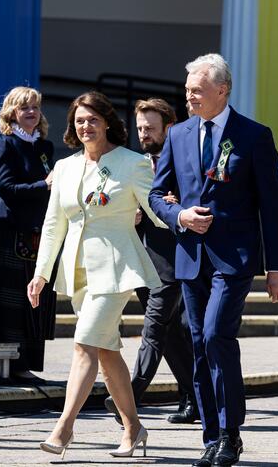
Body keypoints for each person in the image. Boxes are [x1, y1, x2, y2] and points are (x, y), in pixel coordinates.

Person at [149, 53, 278, 467]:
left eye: (196, 90)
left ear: (221, 90)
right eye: (188, 89)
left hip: (235, 257)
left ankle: (231, 432)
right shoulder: (177, 134)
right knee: (197, 344)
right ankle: (211, 438)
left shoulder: (254, 135)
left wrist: (277, 268)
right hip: (191, 256)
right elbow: (158, 195)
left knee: (215, 336)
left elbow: (272, 206)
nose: (188, 97)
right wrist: (180, 216)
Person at [28, 91, 161, 459]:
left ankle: (63, 428)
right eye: (79, 121)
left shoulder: (133, 163)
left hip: (116, 268)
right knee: (106, 351)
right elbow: (54, 225)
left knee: (85, 343)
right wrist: (41, 274)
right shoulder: (66, 167)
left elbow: (154, 207)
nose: (86, 126)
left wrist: (183, 218)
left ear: (107, 122)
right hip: (77, 271)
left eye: (92, 120)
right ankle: (133, 428)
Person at [104, 98, 198, 425]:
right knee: (169, 334)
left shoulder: (186, 161)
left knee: (155, 328)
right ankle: (194, 398)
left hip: (174, 260)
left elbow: (200, 199)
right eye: (140, 128)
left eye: (151, 128)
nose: (144, 134)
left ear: (168, 127)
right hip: (142, 260)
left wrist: (176, 203)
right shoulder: (132, 163)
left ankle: (129, 395)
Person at [0, 86, 56, 383]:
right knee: (10, 298)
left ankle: (27, 364)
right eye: (24, 108)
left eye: (35, 106)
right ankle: (7, 363)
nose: (31, 112)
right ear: (12, 112)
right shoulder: (4, 144)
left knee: (36, 297)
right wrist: (43, 187)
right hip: (7, 229)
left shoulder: (44, 147)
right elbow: (6, 188)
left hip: (37, 229)